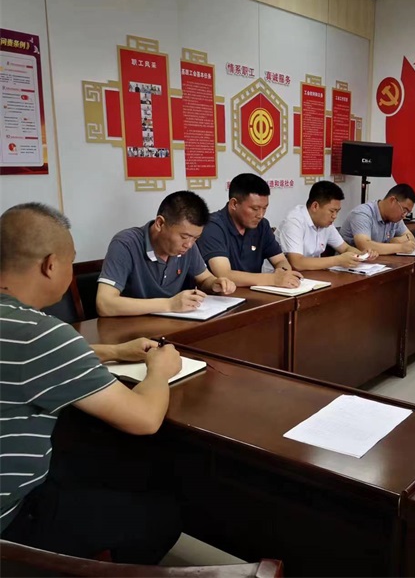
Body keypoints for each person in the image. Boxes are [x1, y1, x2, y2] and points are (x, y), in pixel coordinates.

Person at [0, 203, 183, 563]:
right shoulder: (40, 334)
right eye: (71, 262)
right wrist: (159, 370)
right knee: (161, 515)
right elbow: (145, 418)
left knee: (96, 458)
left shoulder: (25, 332)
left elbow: (30, 357)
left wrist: (112, 351)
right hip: (11, 520)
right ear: (51, 265)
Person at [96, 191, 236, 317]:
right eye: (184, 236)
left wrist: (215, 284)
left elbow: (205, 279)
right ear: (160, 223)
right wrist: (169, 304)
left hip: (172, 325)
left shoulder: (188, 246)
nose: (189, 244)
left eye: (195, 238)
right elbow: (104, 304)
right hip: (131, 329)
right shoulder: (126, 244)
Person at [198, 173, 303, 288]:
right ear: (234, 204)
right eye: (255, 208)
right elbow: (224, 274)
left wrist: (283, 272)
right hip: (223, 296)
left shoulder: (262, 225)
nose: (260, 215)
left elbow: (280, 260)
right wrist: (274, 279)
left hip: (255, 293)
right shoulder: (212, 226)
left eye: (264, 208)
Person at [274, 181, 377, 271]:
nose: (335, 216)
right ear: (315, 206)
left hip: (311, 276)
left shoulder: (326, 223)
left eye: (337, 211)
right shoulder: (294, 221)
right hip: (279, 278)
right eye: (332, 211)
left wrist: (363, 255)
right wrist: (338, 260)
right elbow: (297, 263)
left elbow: (345, 248)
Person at [339, 184, 415, 255]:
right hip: (349, 263)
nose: (404, 216)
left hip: (376, 262)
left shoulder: (395, 218)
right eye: (404, 210)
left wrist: (397, 241)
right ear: (393, 201)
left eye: (407, 213)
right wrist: (400, 247)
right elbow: (365, 246)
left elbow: (410, 237)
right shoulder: (362, 214)